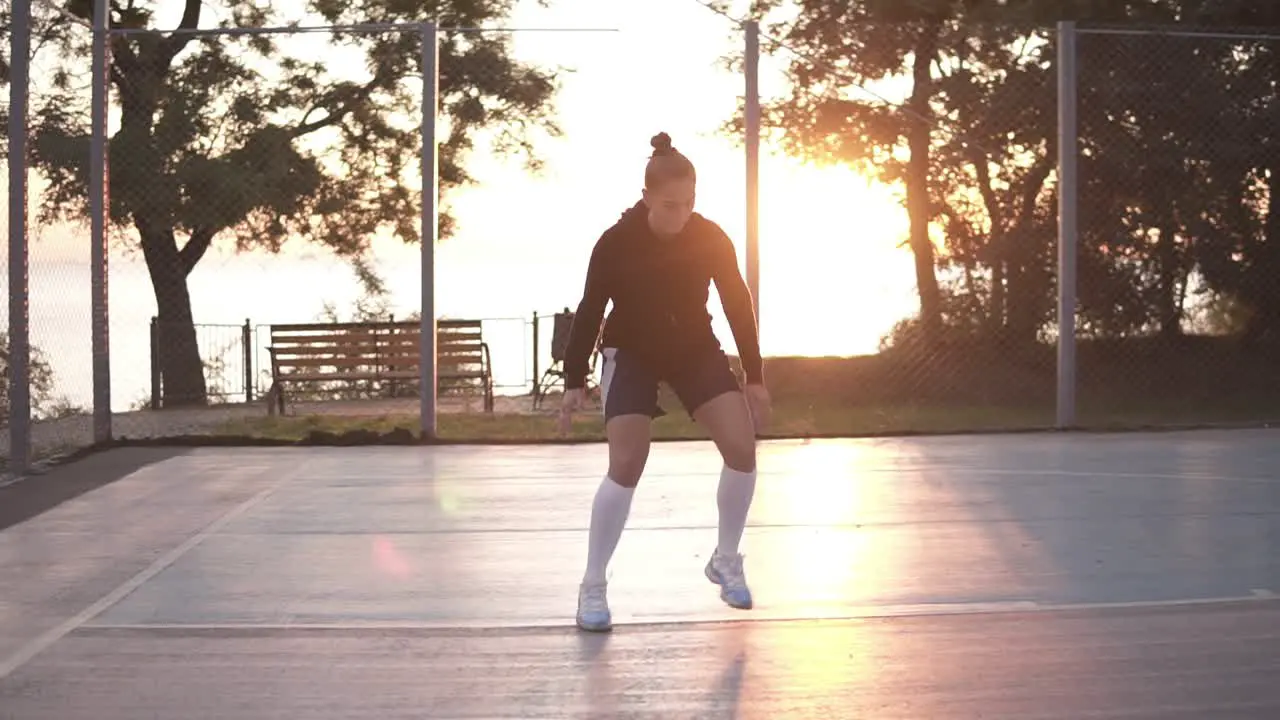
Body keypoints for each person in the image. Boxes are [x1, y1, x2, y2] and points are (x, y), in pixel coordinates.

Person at [559, 131, 771, 632]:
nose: (680, 214)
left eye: (689, 202)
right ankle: (593, 585)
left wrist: (755, 374)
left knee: (742, 448)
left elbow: (737, 303)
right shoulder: (616, 242)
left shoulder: (710, 237)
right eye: (670, 205)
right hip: (631, 350)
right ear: (647, 197)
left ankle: (725, 559)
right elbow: (591, 309)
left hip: (693, 347)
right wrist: (574, 376)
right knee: (628, 462)